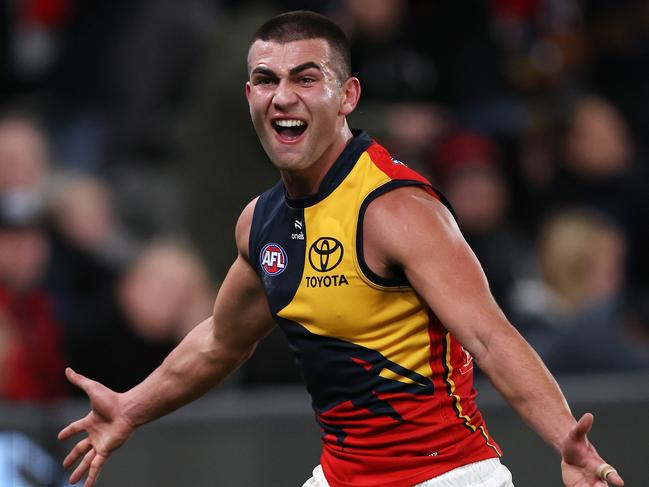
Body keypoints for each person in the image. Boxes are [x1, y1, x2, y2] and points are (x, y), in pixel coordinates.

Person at [58, 11, 624, 487]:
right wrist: (132, 406)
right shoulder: (261, 223)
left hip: (446, 476)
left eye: (306, 78)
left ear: (347, 95)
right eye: (265, 79)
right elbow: (220, 342)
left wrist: (566, 443)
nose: (283, 96)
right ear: (248, 95)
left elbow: (490, 338)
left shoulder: (396, 209)